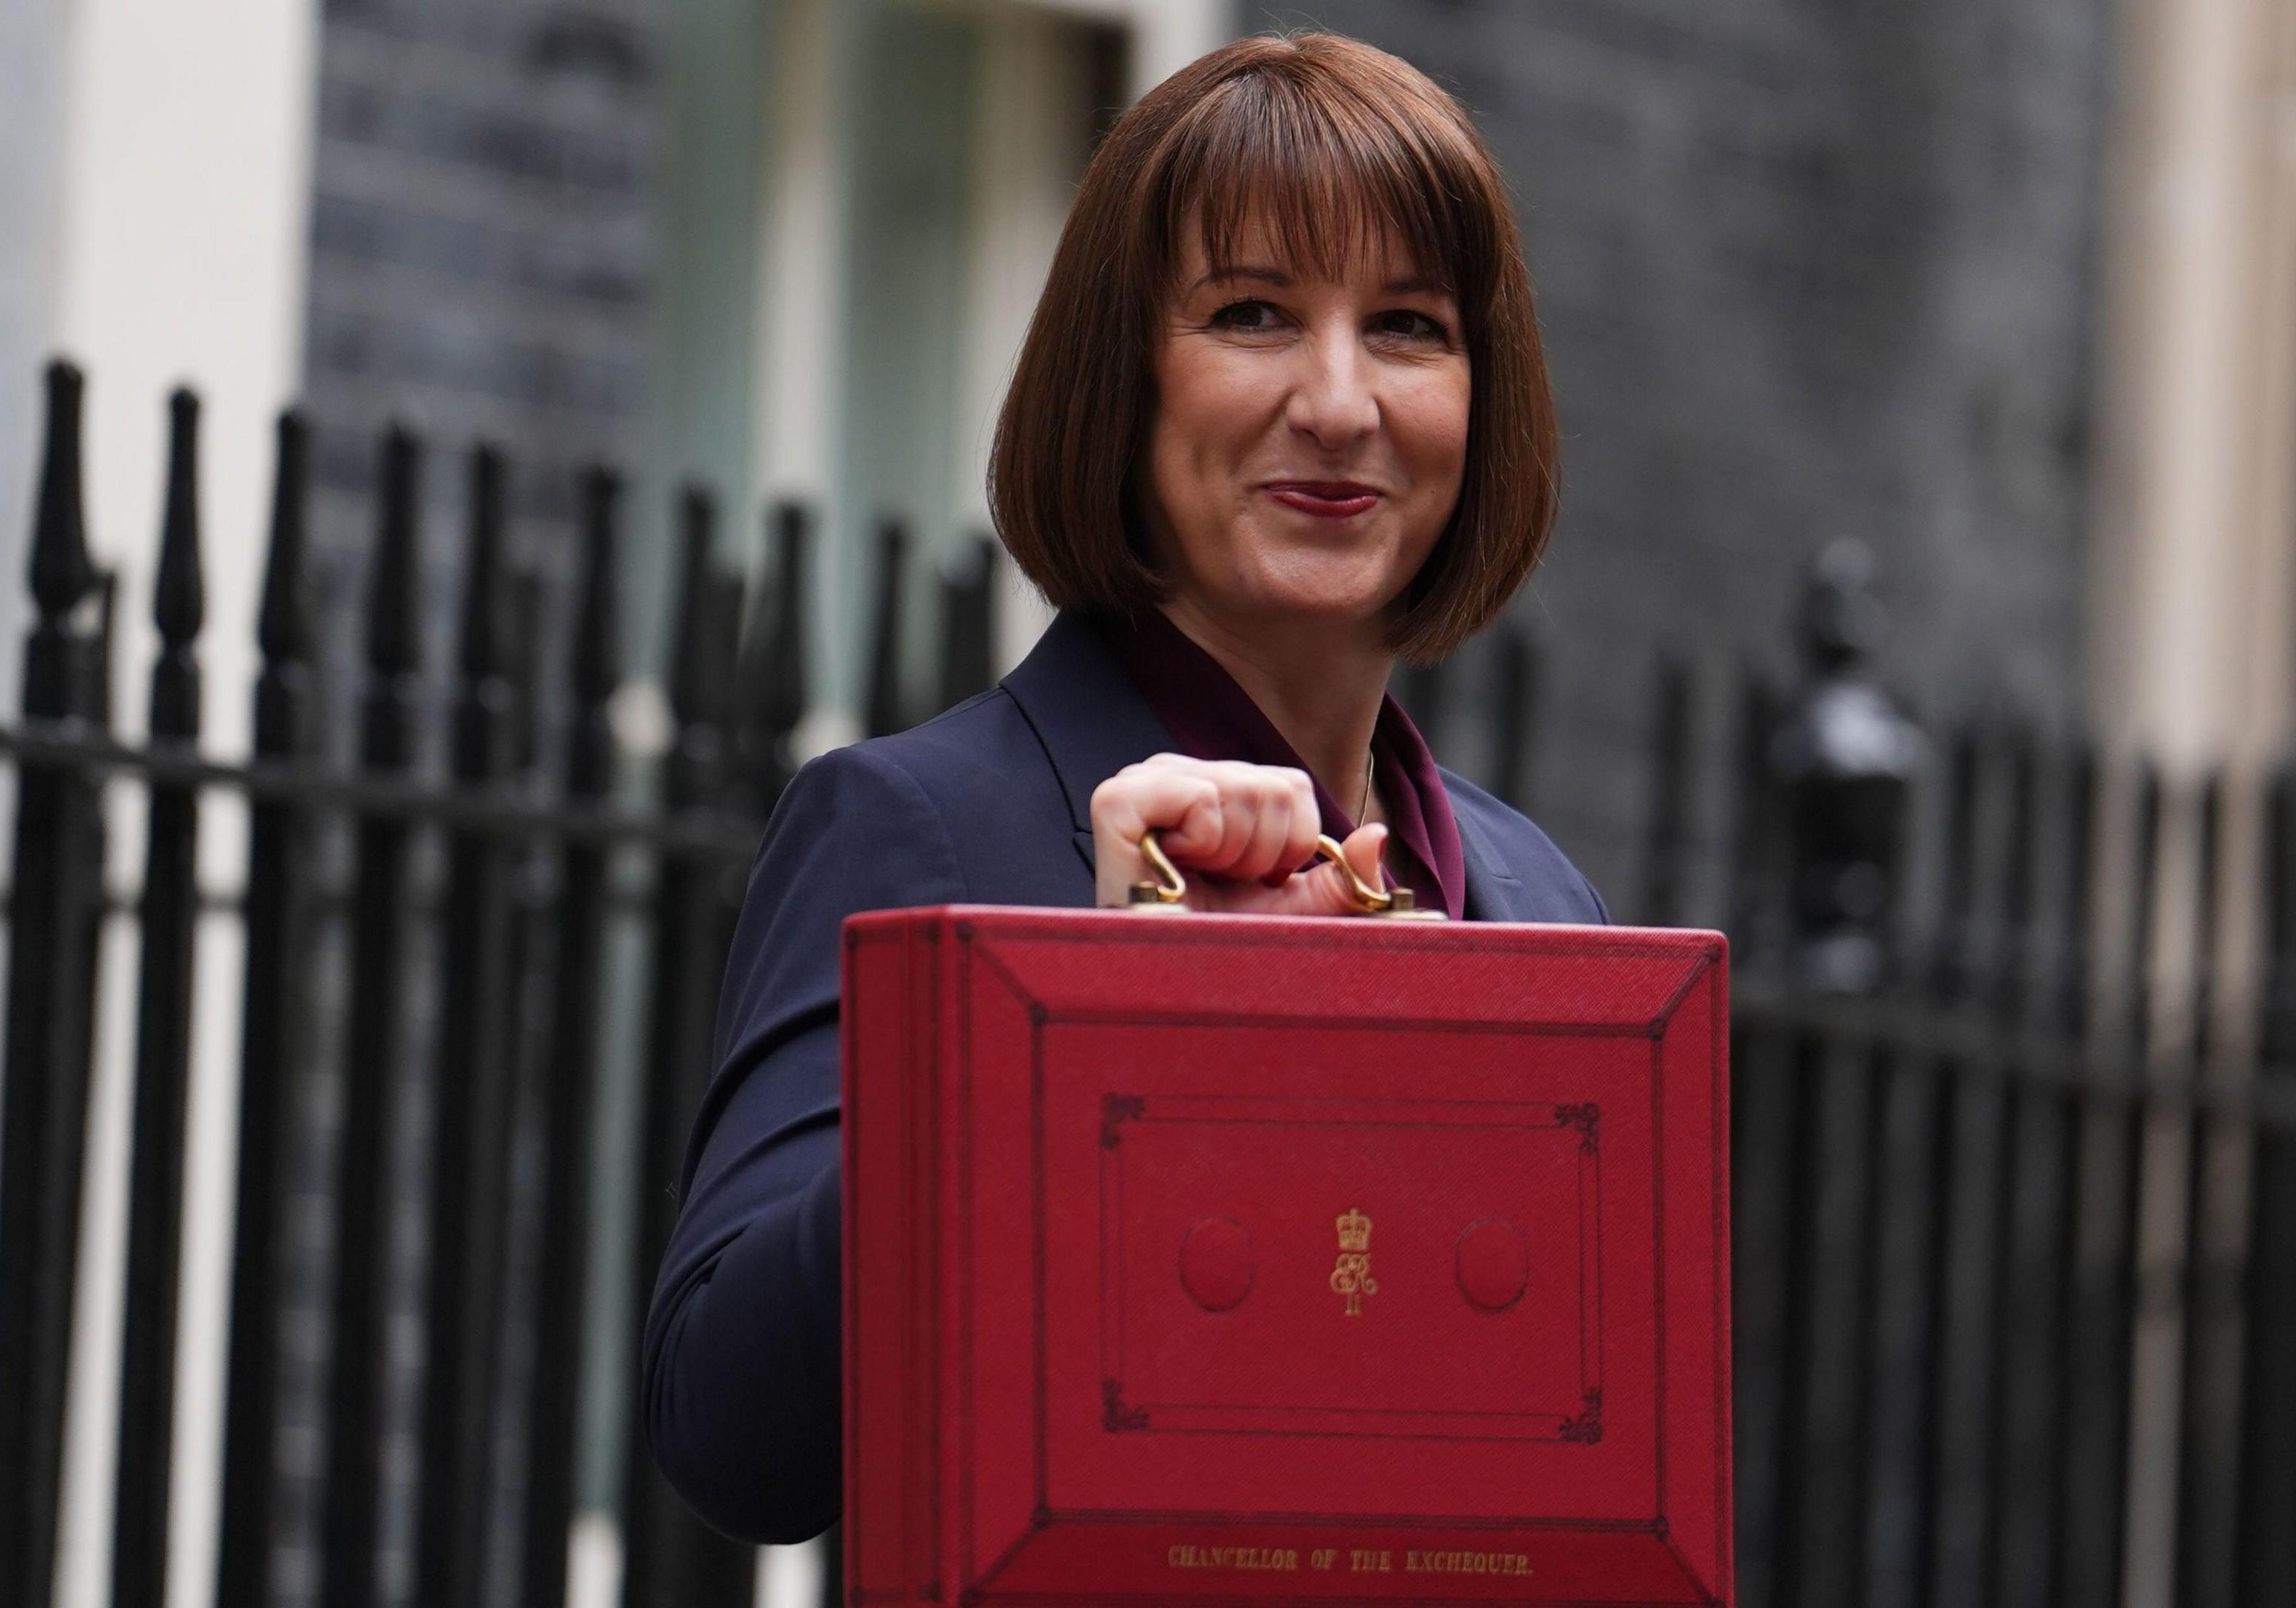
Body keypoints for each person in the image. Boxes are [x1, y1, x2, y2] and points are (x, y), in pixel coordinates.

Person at [642, 29, 1607, 1545]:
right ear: (1125, 379)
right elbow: (728, 1430)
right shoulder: (916, 824)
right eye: (1251, 313)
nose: (1342, 401)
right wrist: (1087, 1011)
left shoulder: (1542, 900)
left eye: (1411, 326)